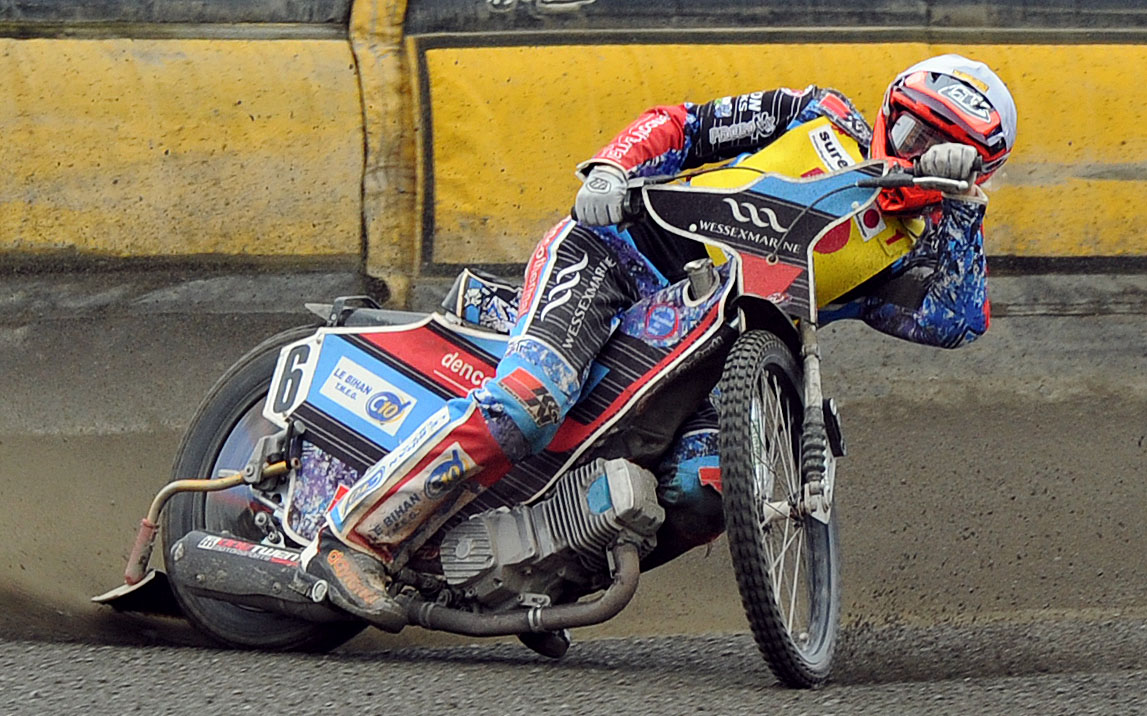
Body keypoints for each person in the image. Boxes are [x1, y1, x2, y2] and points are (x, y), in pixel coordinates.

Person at [300, 53, 1018, 630]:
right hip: (616, 257)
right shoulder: (817, 113)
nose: (919, 153)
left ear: (976, 168)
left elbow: (954, 321)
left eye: (944, 149)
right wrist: (612, 169)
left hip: (716, 354)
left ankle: (543, 581)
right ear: (889, 111)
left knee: (708, 487)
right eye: (913, 132)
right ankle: (353, 540)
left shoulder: (907, 248)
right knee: (531, 402)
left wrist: (962, 212)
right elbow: (686, 124)